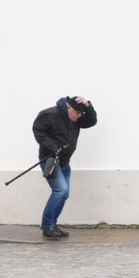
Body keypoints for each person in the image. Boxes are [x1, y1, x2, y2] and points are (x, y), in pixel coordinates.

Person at [31, 95, 97, 239]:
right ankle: (47, 226)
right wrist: (53, 147)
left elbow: (92, 122)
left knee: (64, 193)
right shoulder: (49, 114)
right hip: (50, 161)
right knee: (60, 190)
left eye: (81, 113)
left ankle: (52, 225)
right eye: (78, 113)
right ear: (69, 108)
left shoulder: (76, 118)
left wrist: (88, 105)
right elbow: (38, 131)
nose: (79, 116)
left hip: (64, 162)